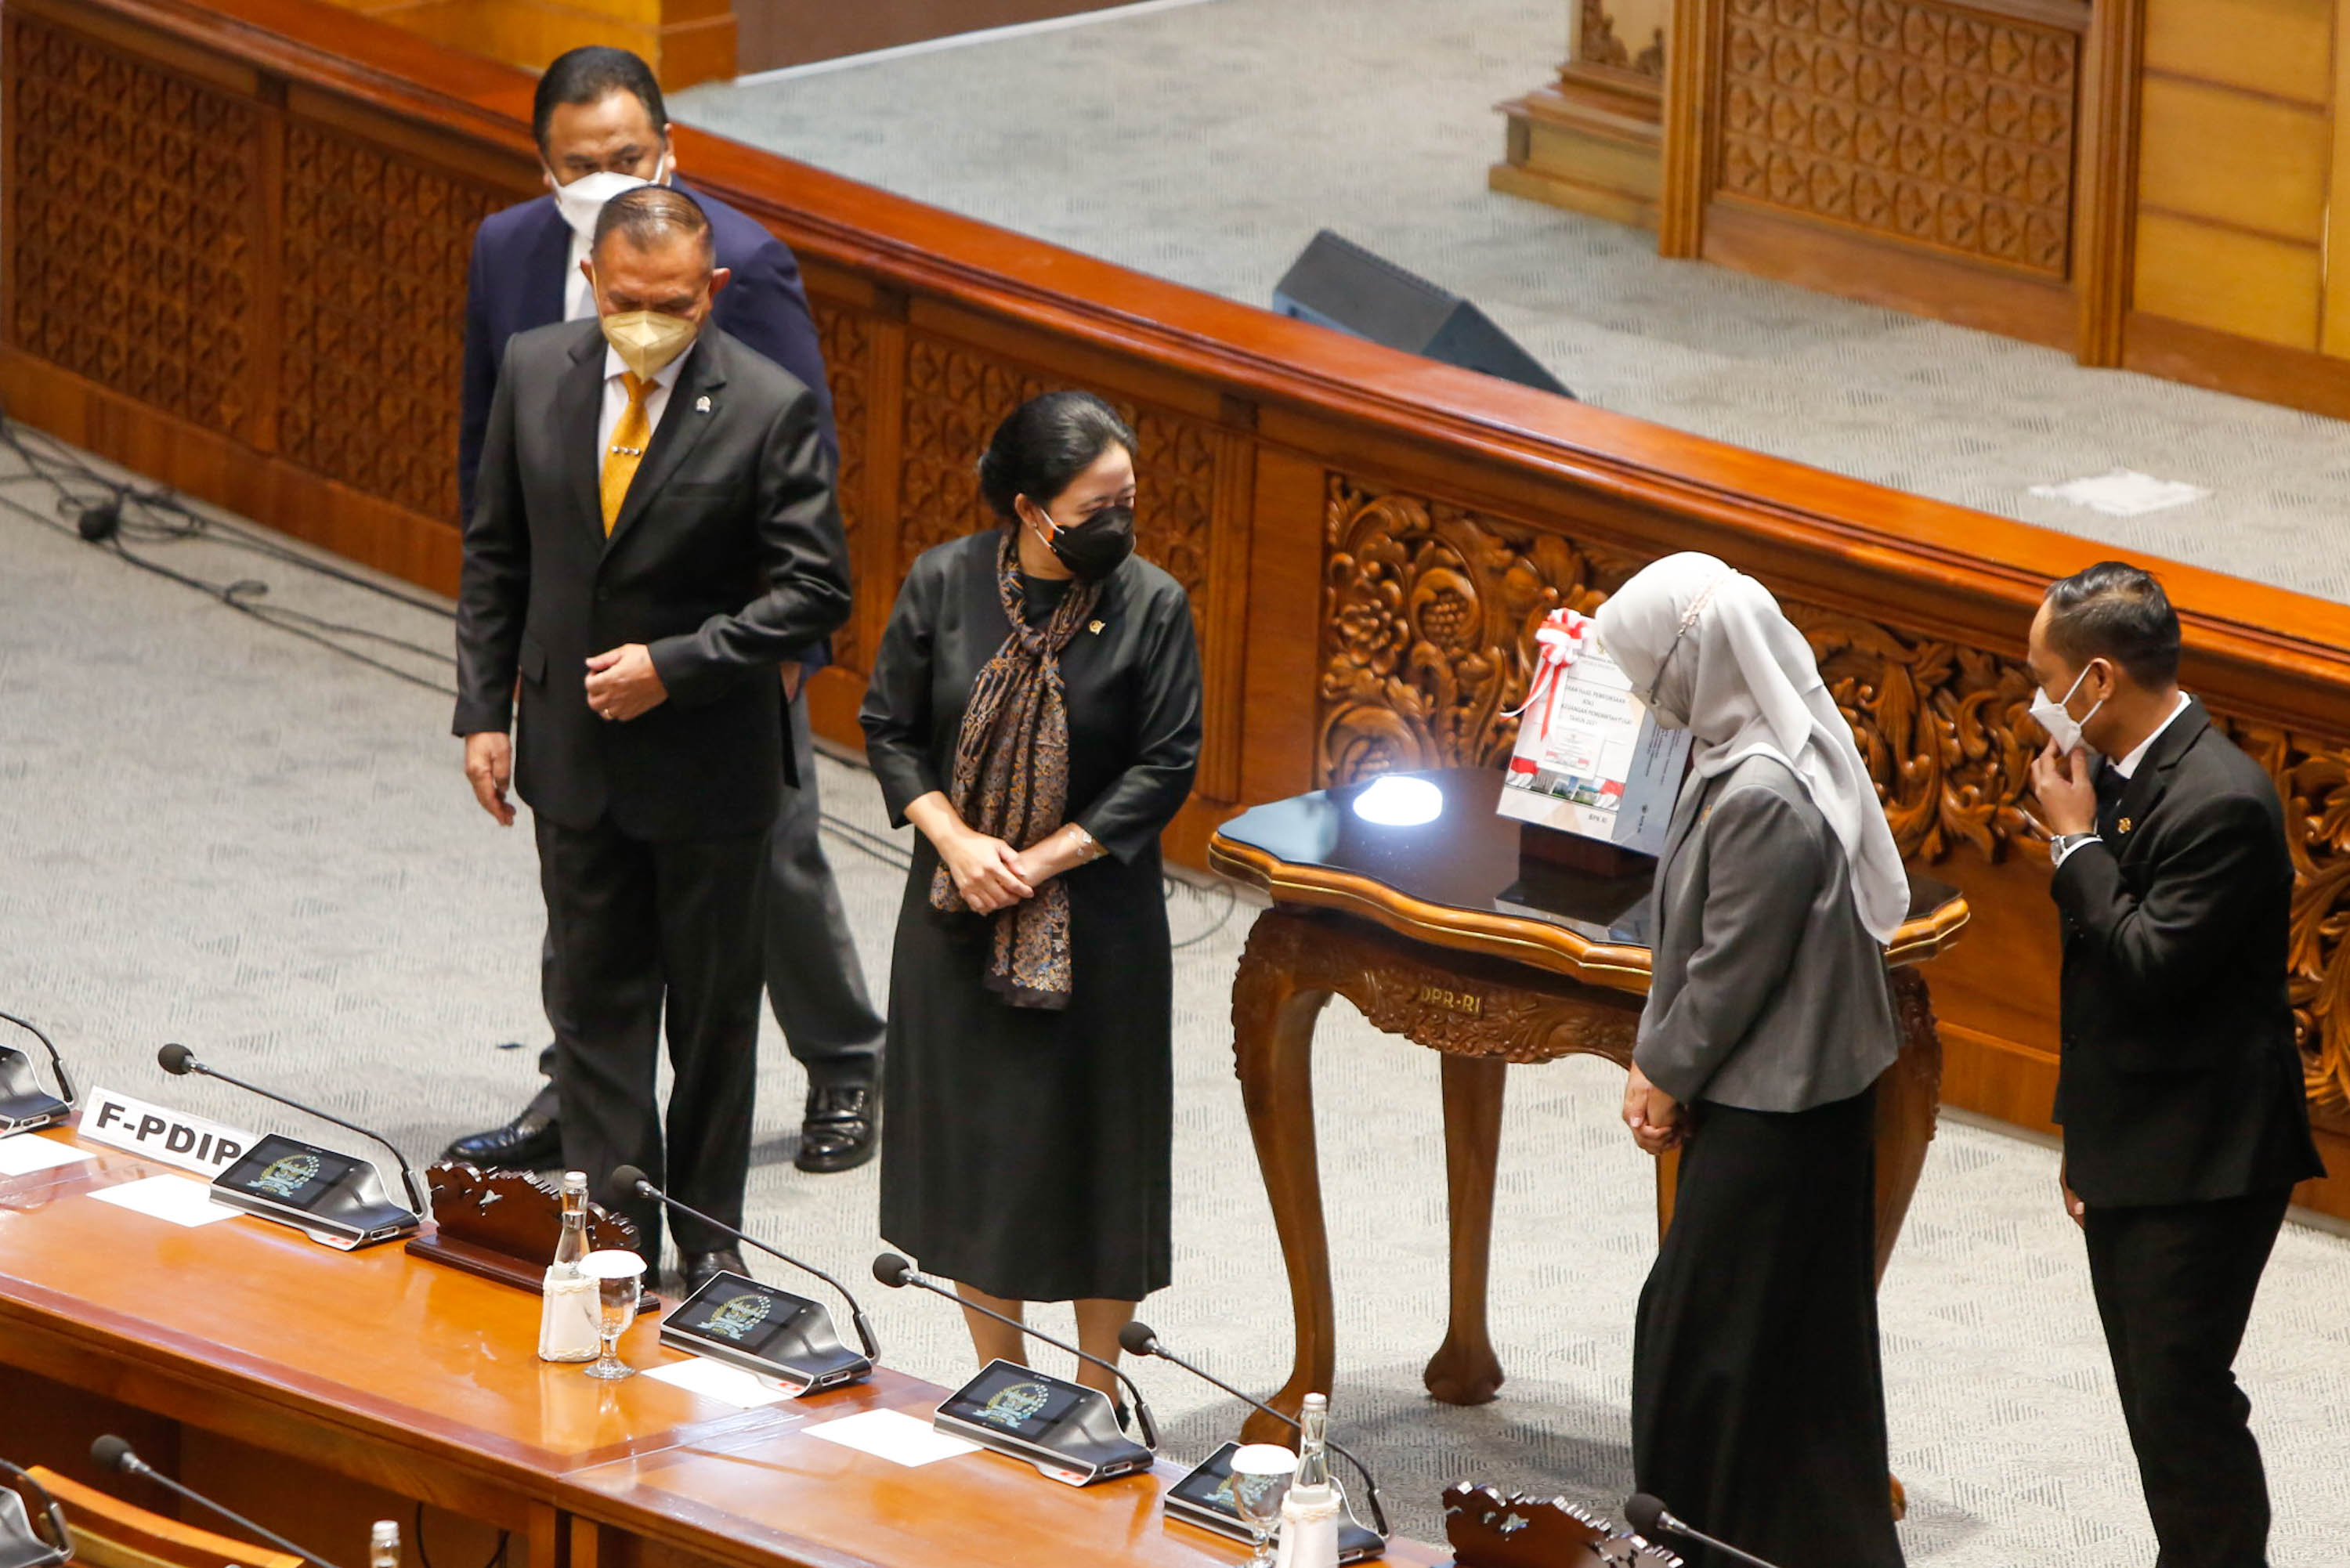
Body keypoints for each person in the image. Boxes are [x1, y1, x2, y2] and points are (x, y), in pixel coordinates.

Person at [449, 45, 884, 1176]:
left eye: (627, 156)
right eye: (580, 162)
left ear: (667, 145)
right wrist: (495, 681)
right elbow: (488, 467)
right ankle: (585, 1113)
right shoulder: (508, 252)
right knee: (590, 923)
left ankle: (842, 1057)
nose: (604, 174)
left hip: (724, 657)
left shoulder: (744, 259)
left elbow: (800, 464)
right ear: (546, 167)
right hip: (570, 669)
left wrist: (782, 659)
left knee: (766, 876)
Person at [859, 391, 1201, 1401]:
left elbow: (1164, 764)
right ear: (1029, 507)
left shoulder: (1153, 605)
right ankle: (1000, 1386)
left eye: (1127, 500)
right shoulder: (942, 582)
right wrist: (960, 845)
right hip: (957, 915)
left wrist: (1038, 861)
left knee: (1100, 1157)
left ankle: (1096, 1396)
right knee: (980, 1159)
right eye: (1095, 505)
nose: (1118, 522)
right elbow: (890, 729)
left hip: (1098, 924)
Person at [1596, 552, 1911, 1568]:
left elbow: (1732, 968)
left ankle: (1718, 1537)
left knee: (1712, 1340)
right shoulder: (1740, 750)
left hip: (1785, 1111)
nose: (1644, 696)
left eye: (1650, 673)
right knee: (1765, 1340)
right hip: (1775, 1095)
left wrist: (1660, 1071)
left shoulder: (1768, 793)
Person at [2024, 562, 2323, 1568]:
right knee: (2154, 1396)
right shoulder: (2117, 773)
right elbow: (2101, 997)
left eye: (2045, 674)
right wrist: (2087, 1139)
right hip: (2136, 1137)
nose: (2037, 697)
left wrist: (2072, 850)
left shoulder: (2221, 799)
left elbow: (2149, 962)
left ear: (2096, 679)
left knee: (2183, 1395)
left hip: (2209, 1156)